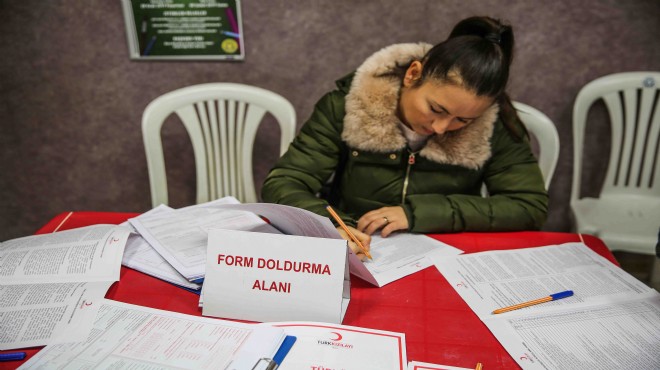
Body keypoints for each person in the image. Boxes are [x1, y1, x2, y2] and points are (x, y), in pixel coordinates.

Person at [262, 16, 548, 259]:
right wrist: (335, 227)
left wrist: (416, 213)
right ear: (413, 74)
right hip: (357, 252)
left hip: (449, 256)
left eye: (462, 120)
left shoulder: (493, 123)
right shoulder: (347, 106)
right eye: (436, 109)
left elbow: (528, 205)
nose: (440, 128)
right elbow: (285, 182)